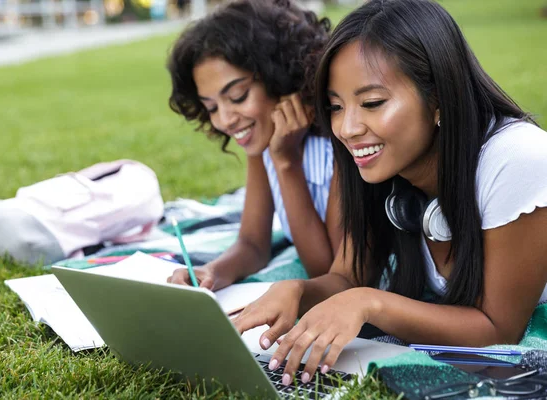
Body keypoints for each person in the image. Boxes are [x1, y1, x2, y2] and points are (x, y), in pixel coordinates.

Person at [233, 0, 547, 387]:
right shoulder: (377, 167)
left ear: (438, 98)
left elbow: (497, 331)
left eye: (372, 103)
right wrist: (298, 291)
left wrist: (370, 302)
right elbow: (347, 277)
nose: (346, 128)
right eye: (335, 107)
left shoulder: (517, 159)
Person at [166, 0, 341, 291]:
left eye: (237, 96)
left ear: (280, 78)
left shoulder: (340, 143)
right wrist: (212, 272)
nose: (224, 120)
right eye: (210, 107)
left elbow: (325, 270)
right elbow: (253, 243)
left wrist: (286, 161)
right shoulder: (263, 140)